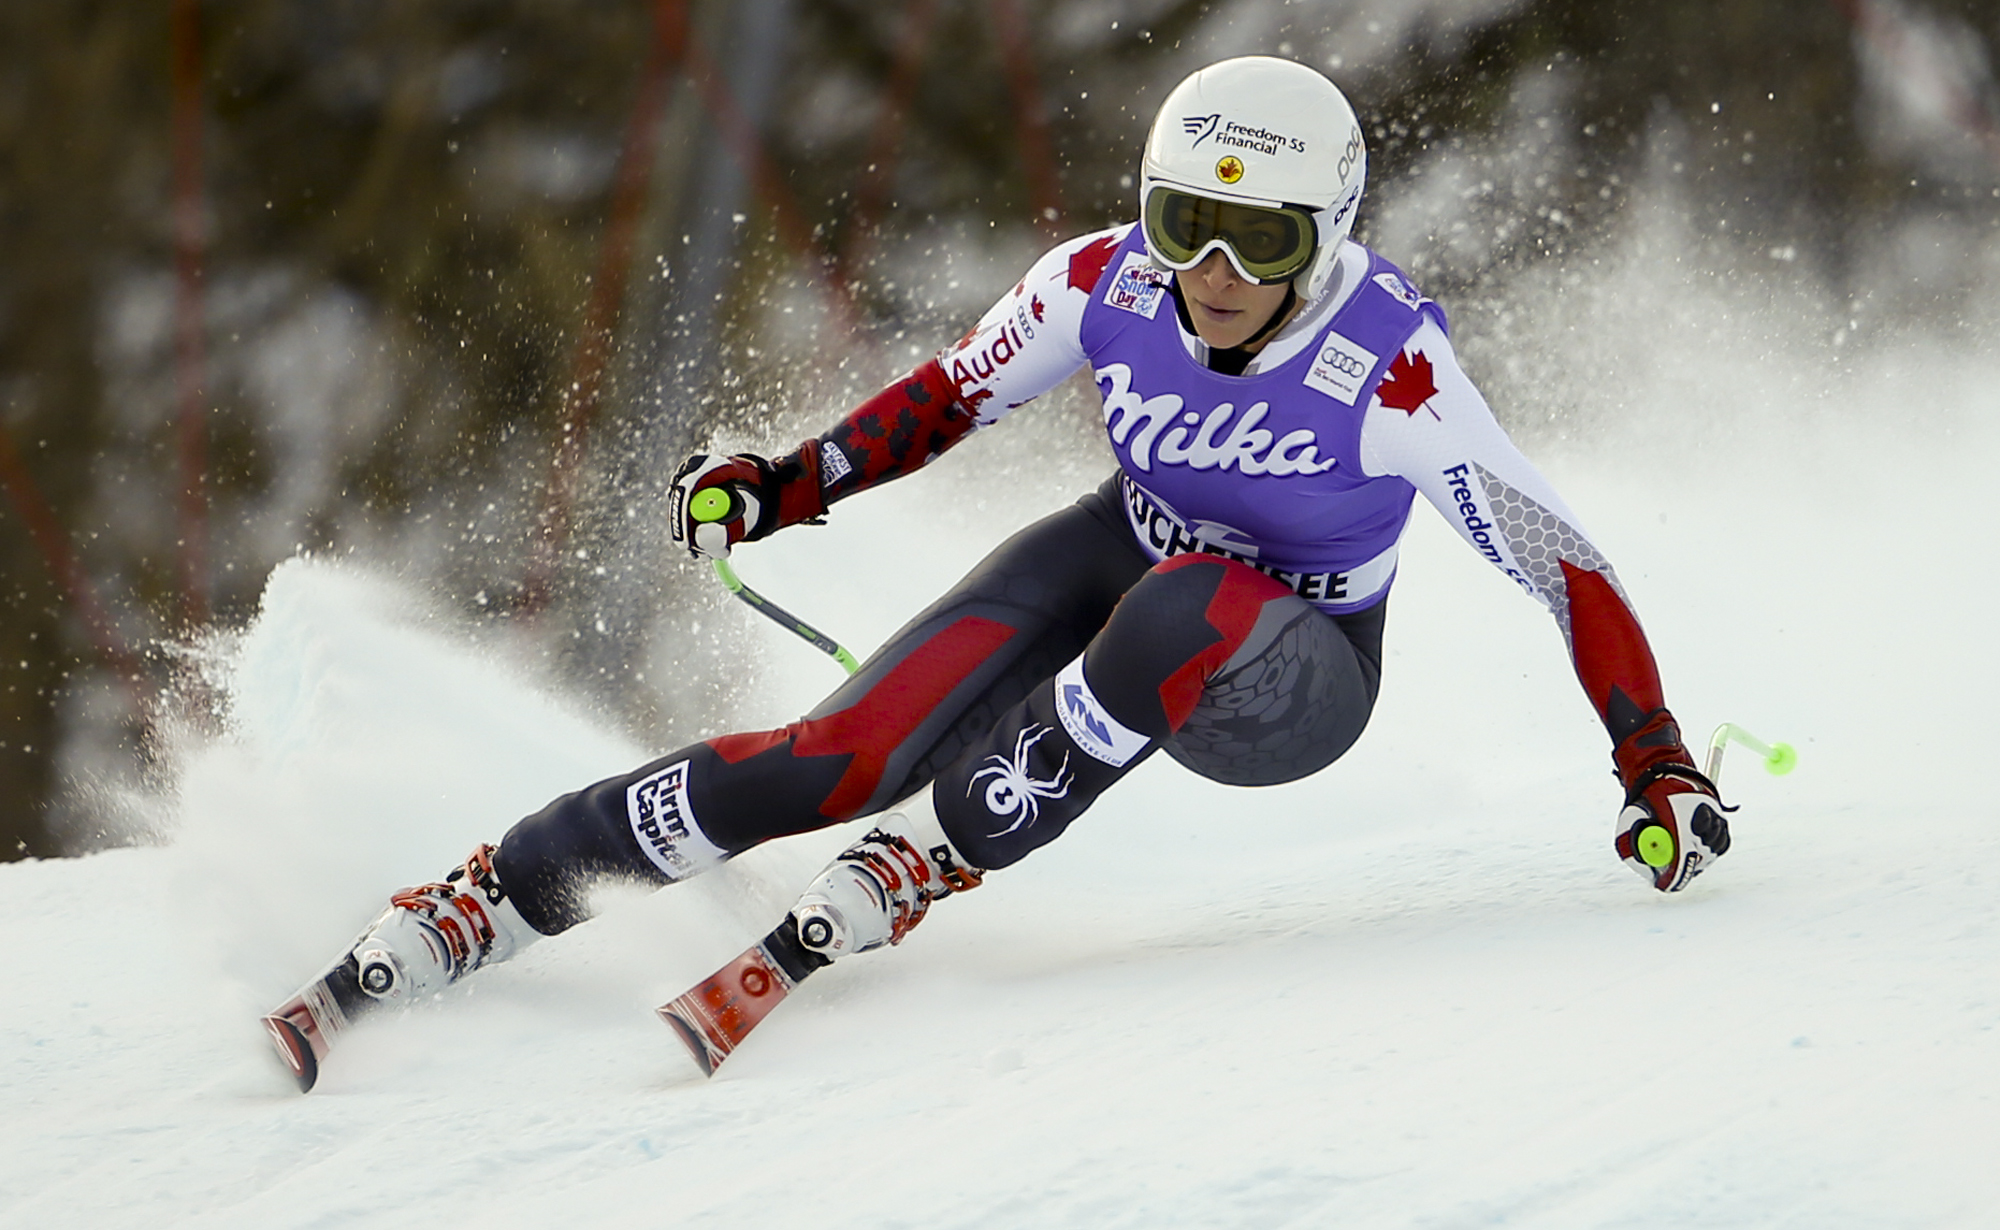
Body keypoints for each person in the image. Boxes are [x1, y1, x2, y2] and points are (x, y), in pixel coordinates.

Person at [272, 56, 1732, 1069]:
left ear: (1327, 236)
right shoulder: (1104, 283)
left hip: (1293, 672)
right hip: (1124, 557)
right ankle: (488, 893)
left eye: (1256, 239)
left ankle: (937, 848)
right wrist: (783, 483)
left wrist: (1652, 756)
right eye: (1185, 227)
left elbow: (1562, 563)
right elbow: (951, 395)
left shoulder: (1391, 363)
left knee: (1183, 601)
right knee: (831, 755)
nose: (1209, 274)